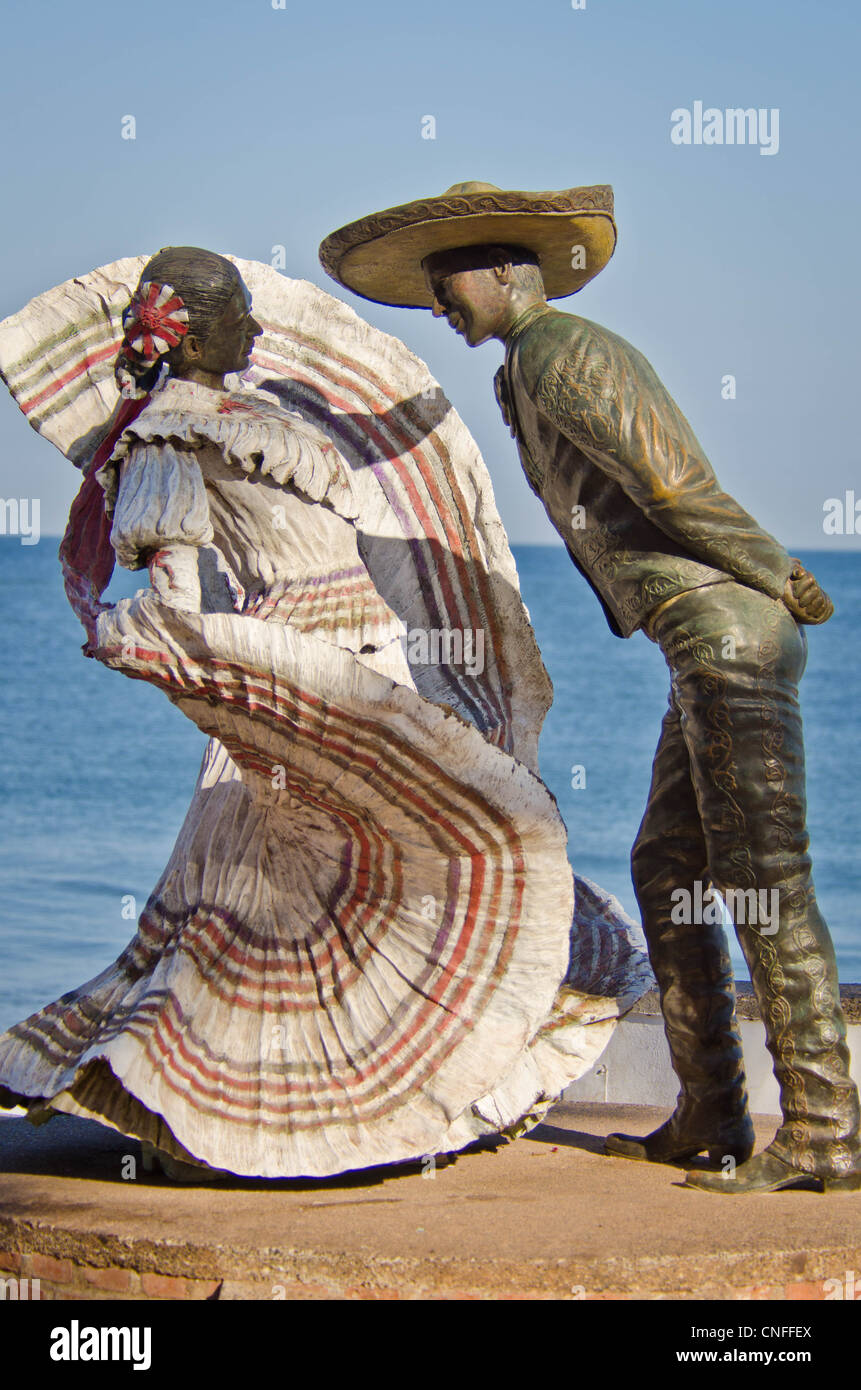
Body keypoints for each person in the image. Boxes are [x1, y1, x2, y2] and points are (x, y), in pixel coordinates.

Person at [0, 244, 648, 1179]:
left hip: (370, 663)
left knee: (398, 876)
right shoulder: (165, 439)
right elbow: (175, 599)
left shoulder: (257, 416)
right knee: (284, 893)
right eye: (238, 316)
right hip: (300, 672)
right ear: (197, 328)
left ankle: (380, 1109)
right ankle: (224, 1123)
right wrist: (220, 671)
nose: (258, 329)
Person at [319, 181, 861, 1194]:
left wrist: (778, 570)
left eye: (449, 286)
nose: (441, 307)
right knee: (666, 865)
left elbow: (671, 486)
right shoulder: (523, 370)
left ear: (504, 272)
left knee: (764, 881)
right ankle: (712, 1107)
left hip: (727, 629)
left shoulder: (563, 355)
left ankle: (828, 1129)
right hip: (697, 635)